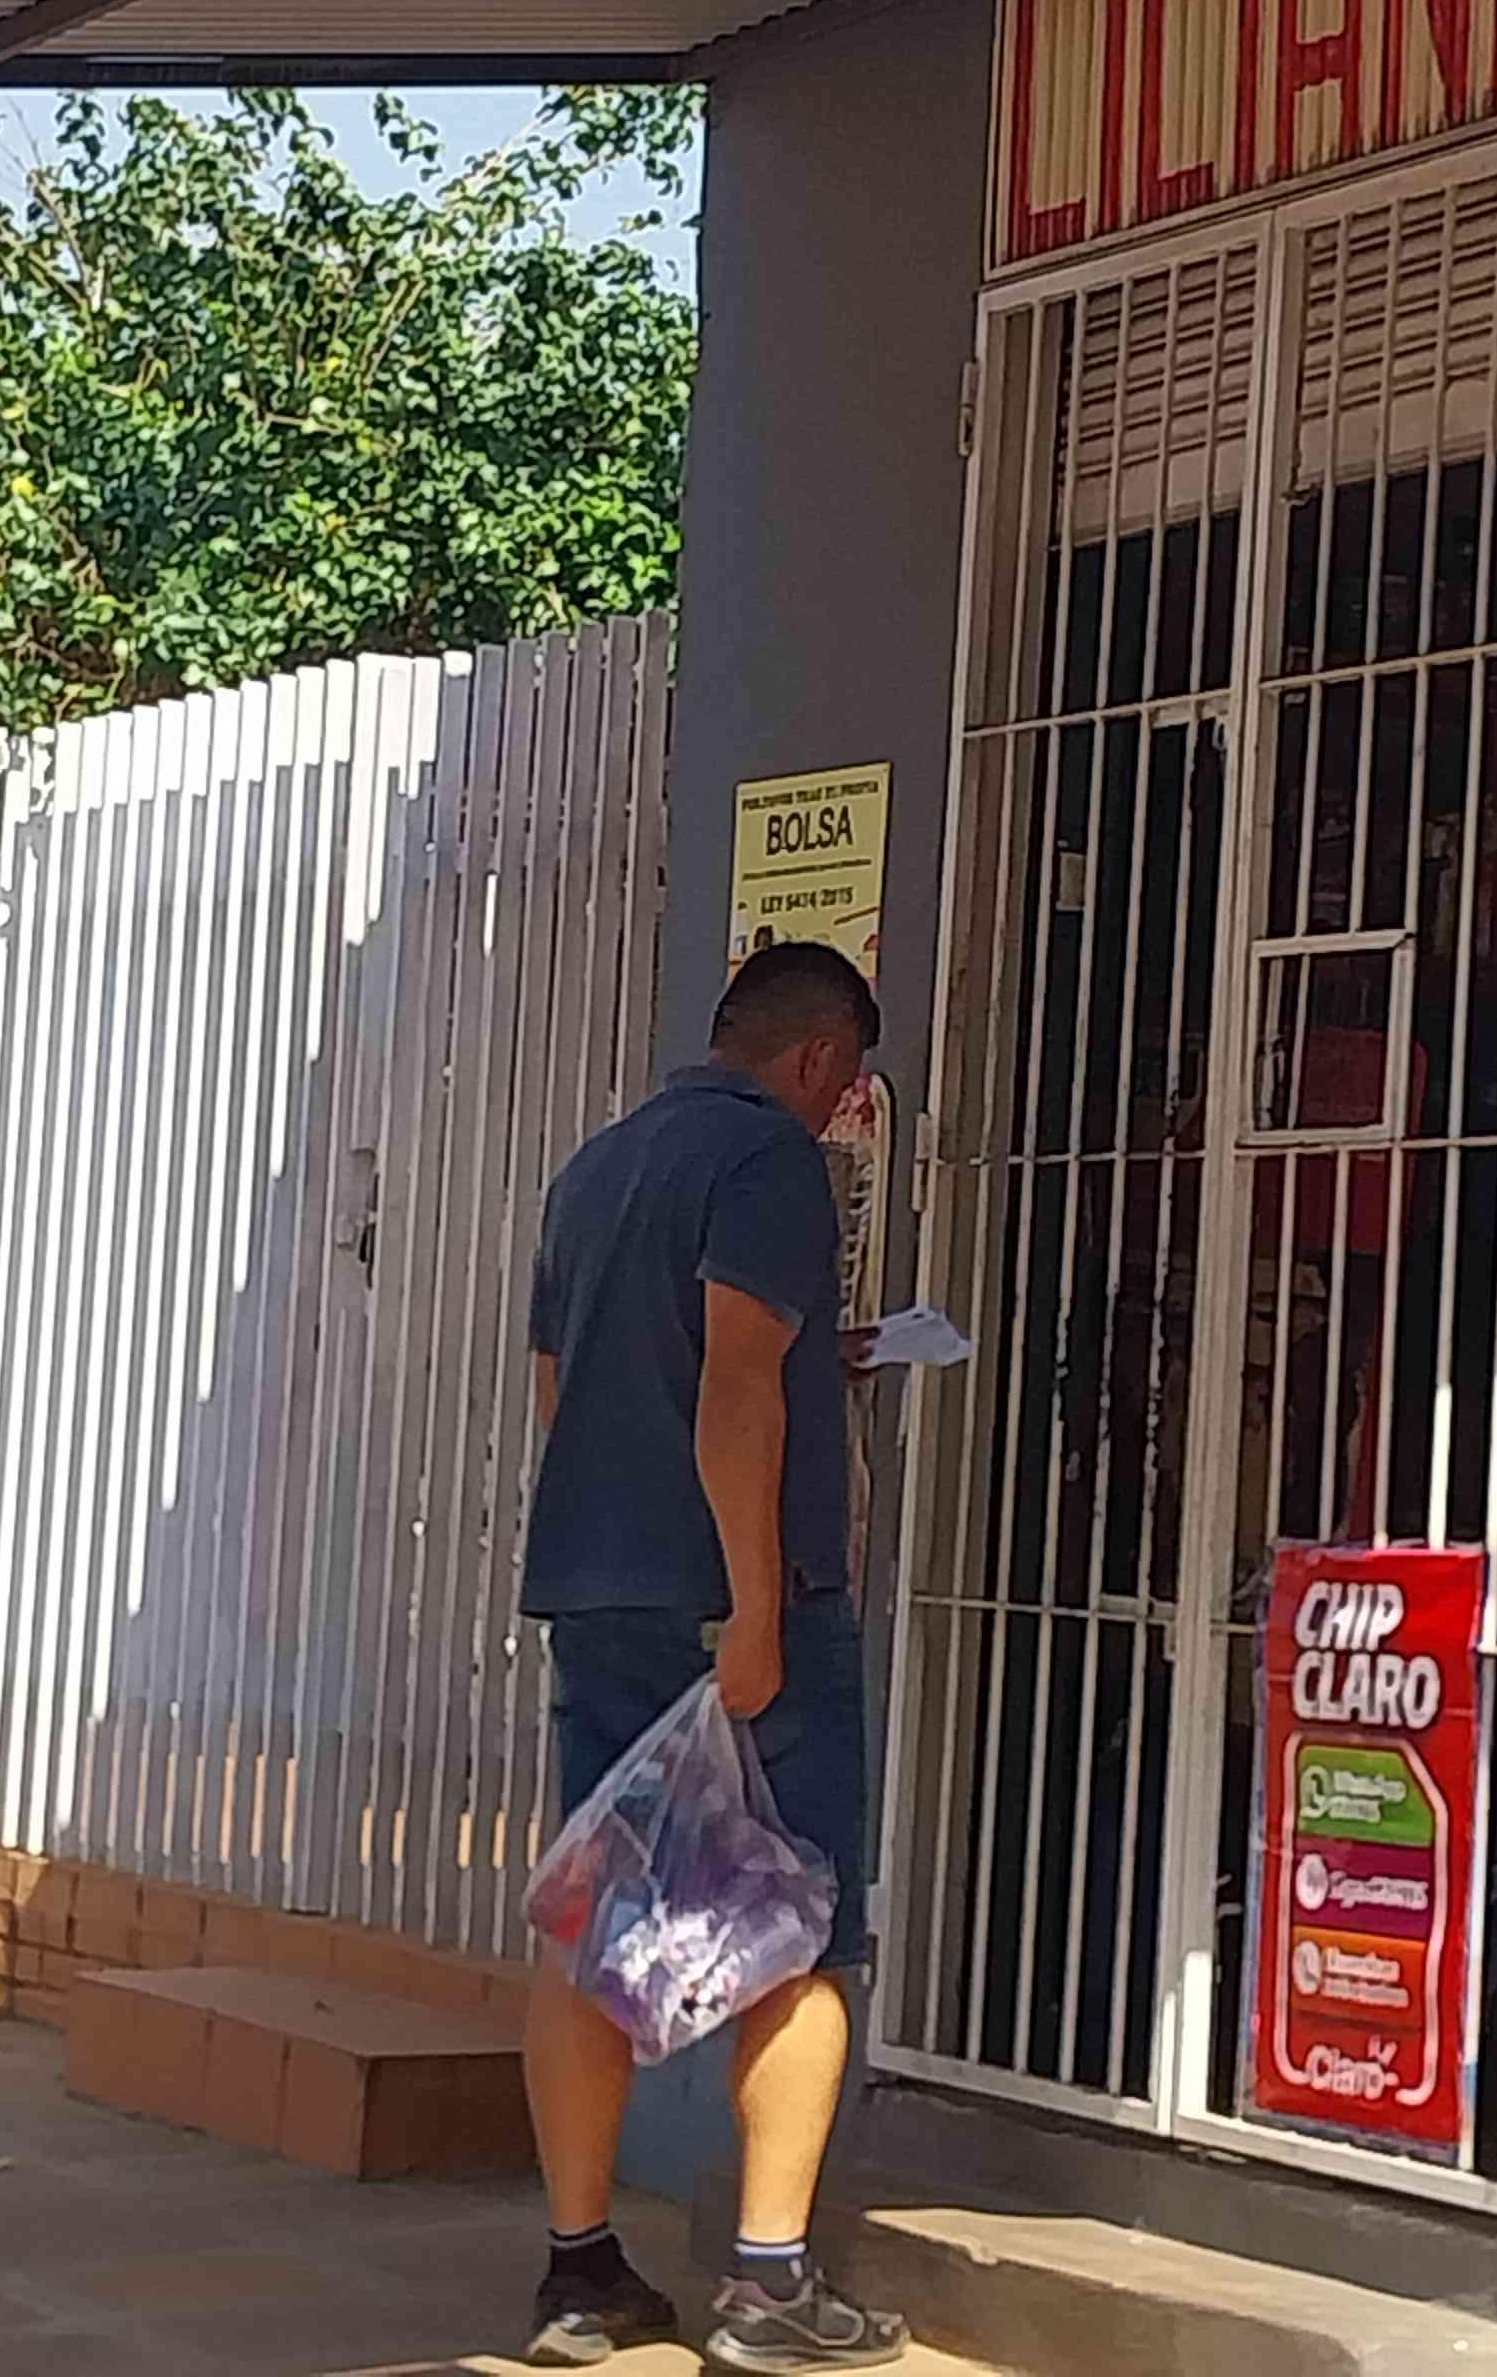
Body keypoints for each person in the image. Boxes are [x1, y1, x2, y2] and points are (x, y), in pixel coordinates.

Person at [516, 941, 907, 2371]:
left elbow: (567, 1386)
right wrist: (754, 1609)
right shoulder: (770, 1163)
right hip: (730, 1603)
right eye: (847, 1082)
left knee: (594, 1921)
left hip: (597, 1592)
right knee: (803, 1926)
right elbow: (737, 1384)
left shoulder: (596, 1167)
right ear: (817, 1059)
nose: (844, 1105)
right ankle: (771, 2284)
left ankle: (579, 2276)